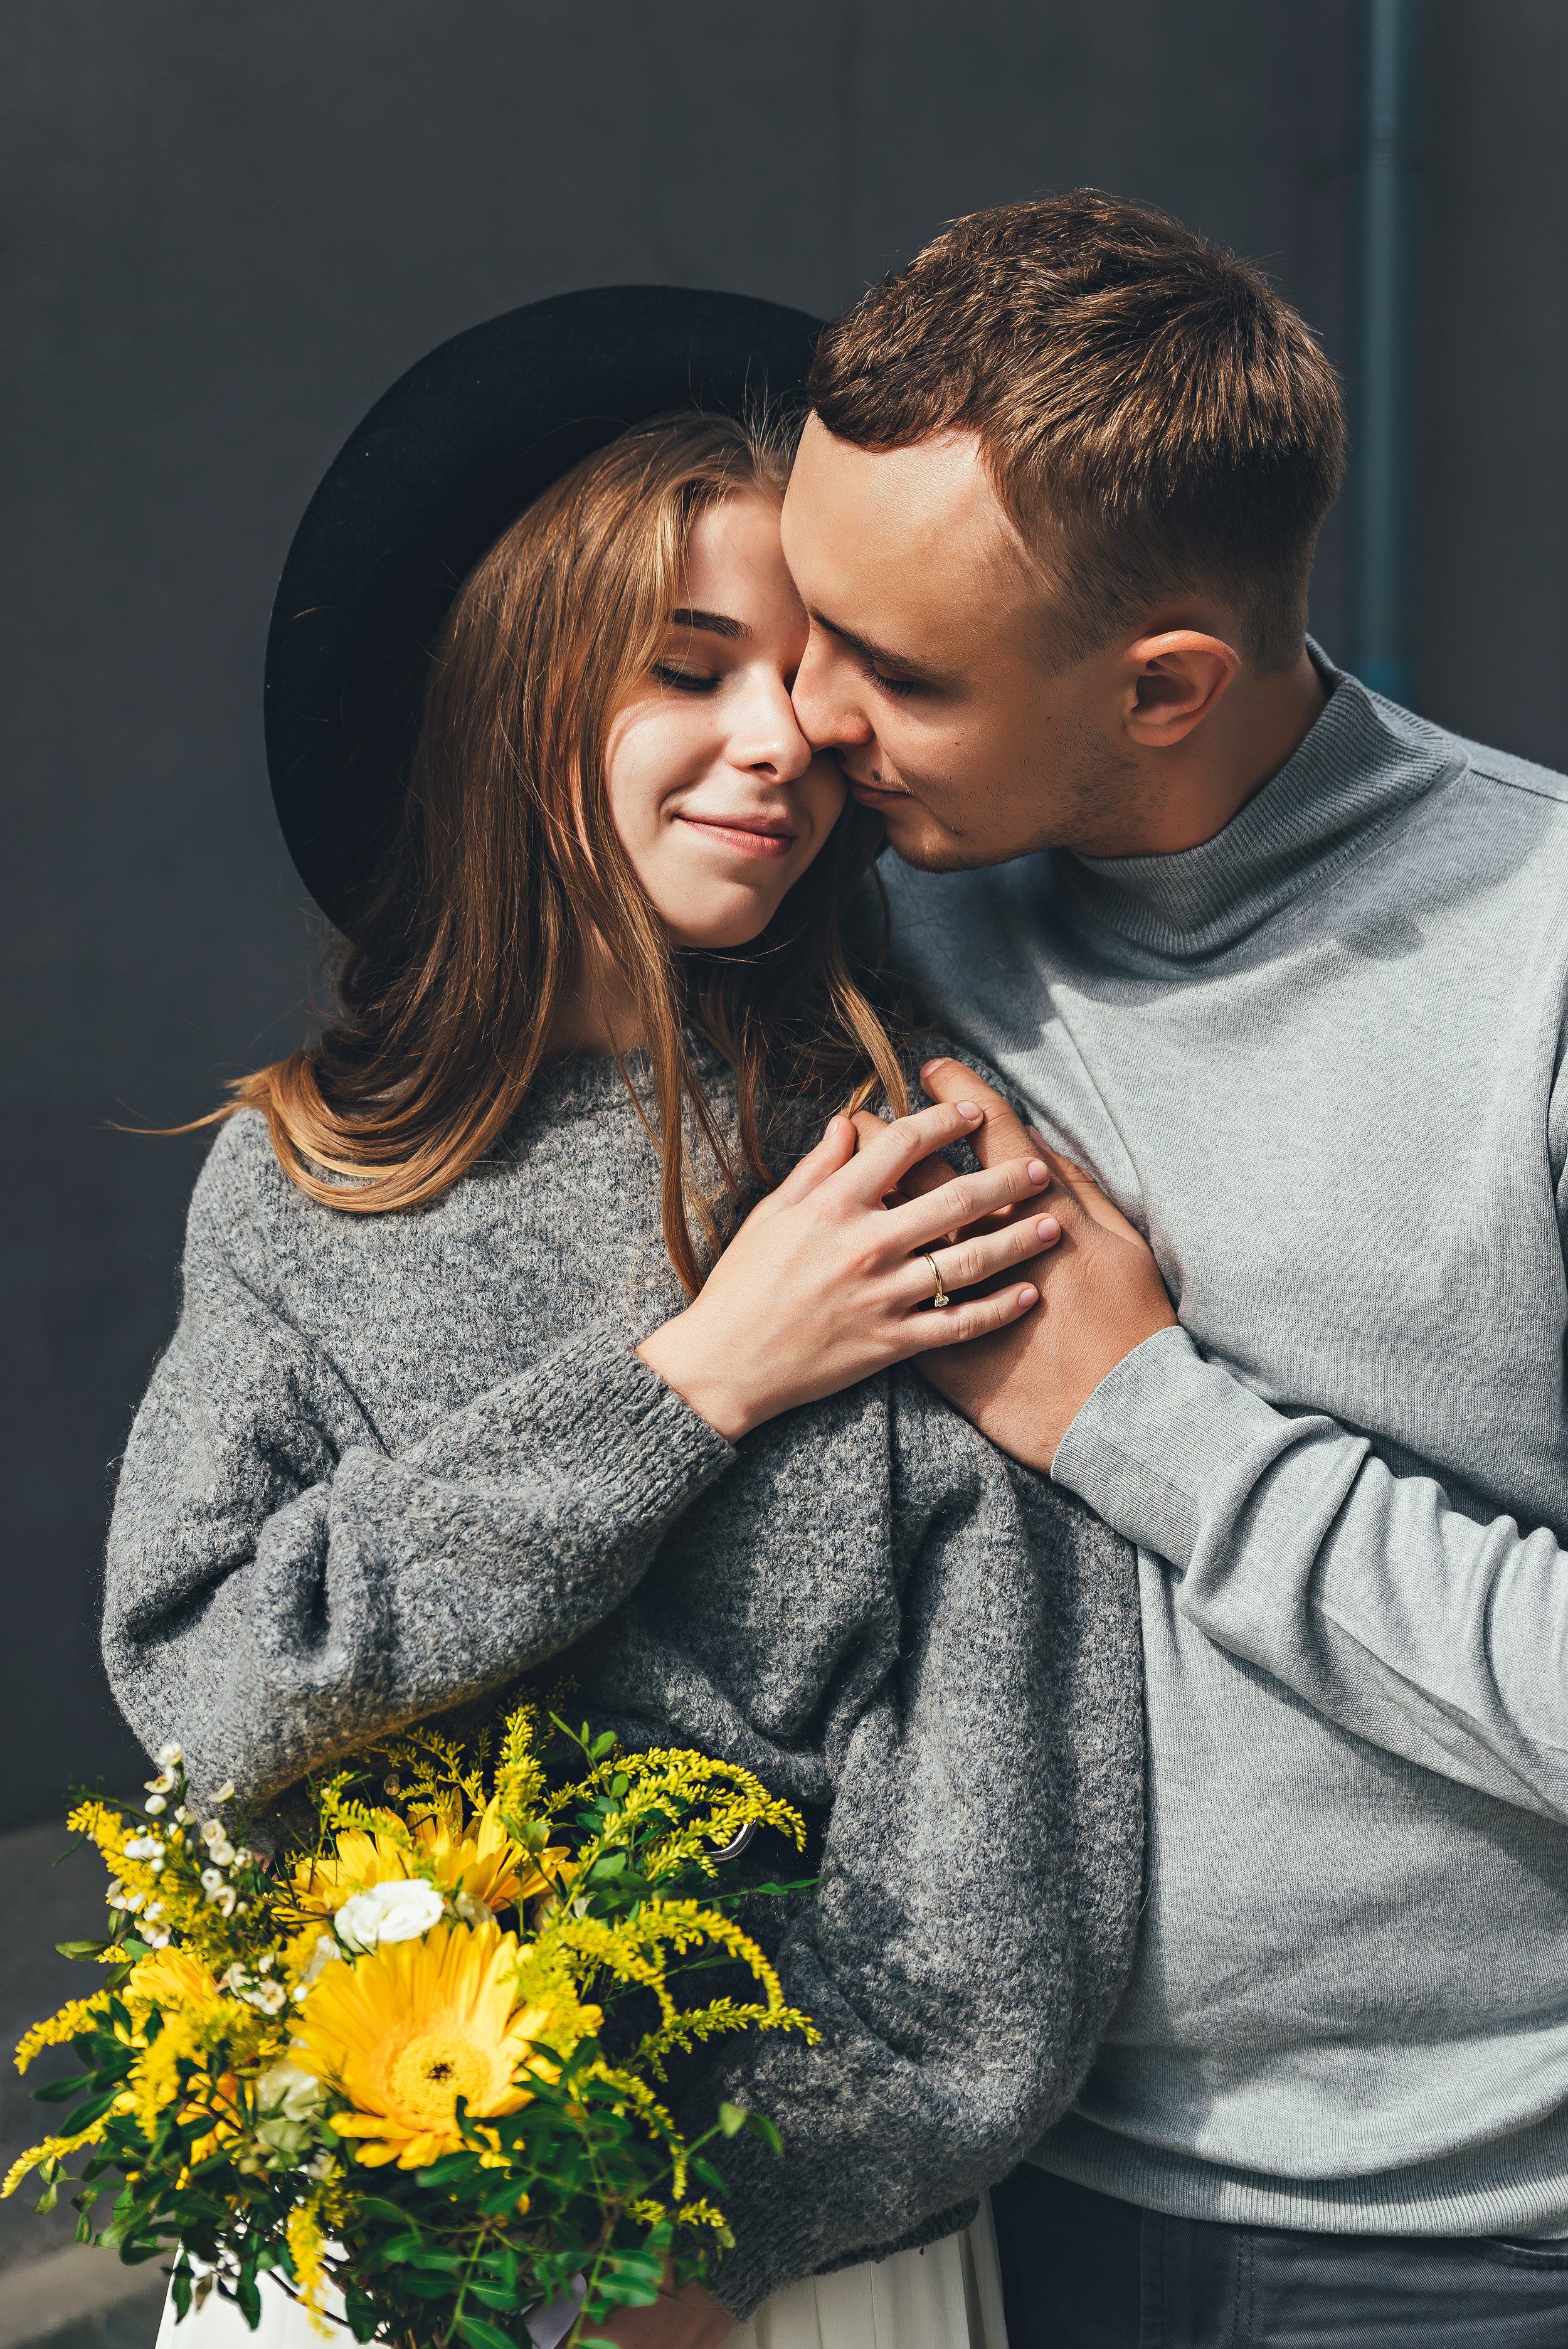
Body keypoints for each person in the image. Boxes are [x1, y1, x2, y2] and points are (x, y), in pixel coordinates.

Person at [102, 292, 1145, 2349]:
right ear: (517, 695)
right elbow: (211, 1684)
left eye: (816, 696)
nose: (780, 744)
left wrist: (658, 2239)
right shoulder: (311, 1179)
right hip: (355, 2233)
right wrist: (693, 1376)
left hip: (788, 2273)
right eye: (691, 669)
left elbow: (1003, 1923)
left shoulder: (921, 1183)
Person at [775, 189, 1568, 2345]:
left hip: (1451, 2248)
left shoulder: (1543, 966)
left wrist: (1146, 1419)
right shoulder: (849, 915)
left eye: (895, 671)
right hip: (945, 2199)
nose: (800, 717)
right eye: (797, 612)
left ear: (1164, 684)